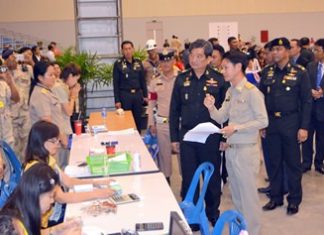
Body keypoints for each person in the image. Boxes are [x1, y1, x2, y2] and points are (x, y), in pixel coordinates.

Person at [204, 50, 268, 235]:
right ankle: (242, 230)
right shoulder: (231, 91)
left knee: (248, 199)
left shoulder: (251, 92)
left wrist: (237, 128)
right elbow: (221, 116)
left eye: (226, 67)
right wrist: (211, 107)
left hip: (246, 152)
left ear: (238, 67)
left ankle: (253, 231)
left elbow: (263, 121)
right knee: (238, 198)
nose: (222, 71)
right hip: (231, 151)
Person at [169, 39, 228, 230]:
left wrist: (224, 137)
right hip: (187, 137)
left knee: (211, 177)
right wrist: (174, 138)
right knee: (189, 178)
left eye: (199, 56)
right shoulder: (182, 79)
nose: (194, 60)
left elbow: (226, 111)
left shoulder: (219, 80)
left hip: (211, 137)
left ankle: (212, 213)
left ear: (209, 58)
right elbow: (174, 111)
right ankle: (193, 215)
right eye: (191, 55)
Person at [23, 120, 115, 229]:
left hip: (51, 215)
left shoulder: (48, 159)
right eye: (54, 141)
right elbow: (62, 197)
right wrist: (97, 194)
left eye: (58, 140)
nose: (58, 145)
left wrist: (95, 183)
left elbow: (68, 181)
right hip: (44, 225)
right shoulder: (37, 169)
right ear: (41, 142)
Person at [259, 37, 312, 215]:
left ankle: (294, 200)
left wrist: (304, 127)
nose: (275, 53)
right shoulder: (266, 72)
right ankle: (275, 197)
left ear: (288, 52)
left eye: (279, 49)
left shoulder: (300, 73)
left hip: (291, 123)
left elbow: (306, 101)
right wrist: (261, 124)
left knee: (292, 164)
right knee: (273, 163)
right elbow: (260, 101)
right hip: (271, 124)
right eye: (273, 49)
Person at [2, 163, 82, 235]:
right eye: (50, 196)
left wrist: (55, 230)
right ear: (36, 194)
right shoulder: (14, 226)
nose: (52, 201)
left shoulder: (24, 210)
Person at [147, 49, 178, 184]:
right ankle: (166, 180)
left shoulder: (181, 78)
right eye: (163, 61)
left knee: (184, 155)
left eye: (168, 60)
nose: (166, 64)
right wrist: (151, 123)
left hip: (180, 123)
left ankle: (186, 183)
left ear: (174, 61)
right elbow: (151, 104)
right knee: (164, 155)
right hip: (162, 122)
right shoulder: (155, 82)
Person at [29, 61, 68, 161]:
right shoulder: (40, 95)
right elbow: (47, 122)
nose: (54, 77)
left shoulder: (47, 91)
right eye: (50, 75)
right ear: (40, 77)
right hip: (48, 144)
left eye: (54, 74)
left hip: (56, 140)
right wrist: (62, 139)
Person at [3, 49, 33, 161]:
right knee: (14, 148)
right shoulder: (4, 73)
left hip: (25, 114)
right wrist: (4, 66)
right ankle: (17, 172)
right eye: (8, 58)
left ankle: (27, 169)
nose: (11, 60)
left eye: (13, 57)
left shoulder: (26, 69)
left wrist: (30, 60)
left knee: (27, 146)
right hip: (11, 116)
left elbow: (40, 74)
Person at [113, 40, 148, 132]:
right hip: (125, 95)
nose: (128, 51)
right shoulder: (118, 64)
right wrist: (117, 100)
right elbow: (115, 83)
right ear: (122, 51)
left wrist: (145, 95)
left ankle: (138, 138)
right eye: (125, 49)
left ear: (133, 49)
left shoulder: (138, 62)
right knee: (126, 121)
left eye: (129, 48)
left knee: (138, 120)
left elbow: (142, 80)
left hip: (137, 95)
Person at [51, 63, 81, 168]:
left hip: (63, 128)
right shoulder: (59, 87)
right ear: (70, 76)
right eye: (76, 79)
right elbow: (68, 111)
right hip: (61, 130)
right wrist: (73, 96)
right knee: (63, 164)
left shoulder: (62, 86)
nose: (76, 82)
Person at [302, 38, 324, 174]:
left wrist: (322, 93)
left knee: (322, 138)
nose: (315, 52)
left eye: (318, 50)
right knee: (307, 137)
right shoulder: (311, 66)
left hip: (322, 108)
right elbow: (305, 83)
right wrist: (310, 91)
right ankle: (305, 162)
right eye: (314, 50)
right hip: (309, 108)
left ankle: (319, 162)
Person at [0, 64, 19, 147]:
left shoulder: (3, 85)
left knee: (9, 159)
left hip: (6, 133)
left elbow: (16, 98)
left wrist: (10, 83)